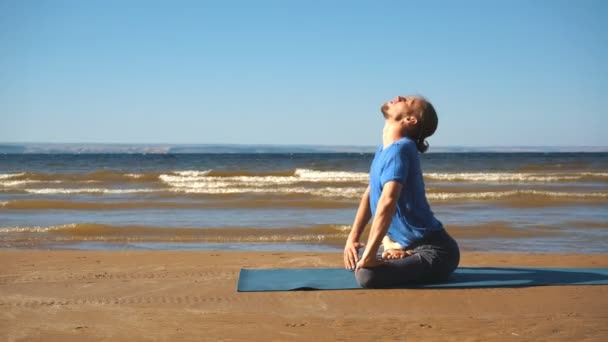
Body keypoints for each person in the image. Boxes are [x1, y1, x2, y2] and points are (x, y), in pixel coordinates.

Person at [343, 95, 460, 288]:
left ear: (410, 120)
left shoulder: (402, 149)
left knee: (366, 275)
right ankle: (396, 250)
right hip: (410, 246)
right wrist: (353, 239)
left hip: (436, 251)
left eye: (407, 101)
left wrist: (371, 255)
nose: (398, 97)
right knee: (355, 263)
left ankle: (397, 253)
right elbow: (371, 193)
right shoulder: (385, 149)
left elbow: (388, 201)